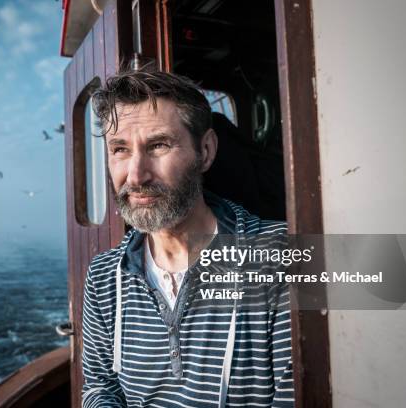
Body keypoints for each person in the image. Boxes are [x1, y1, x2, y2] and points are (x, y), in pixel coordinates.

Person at [82, 67, 293, 407]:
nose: (136, 176)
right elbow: (100, 387)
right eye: (119, 149)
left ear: (206, 151)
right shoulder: (105, 276)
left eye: (159, 145)